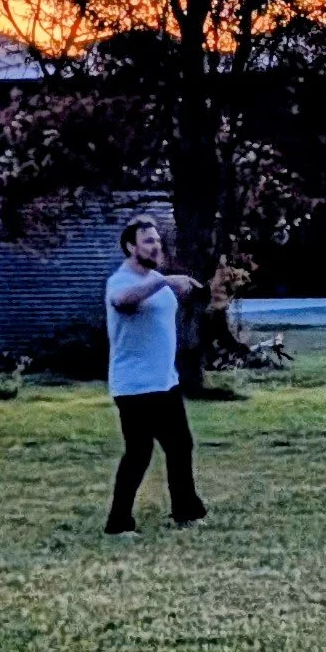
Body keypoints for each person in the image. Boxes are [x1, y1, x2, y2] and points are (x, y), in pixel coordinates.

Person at [103, 213, 207, 532]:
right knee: (139, 454)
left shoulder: (155, 280)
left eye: (157, 241)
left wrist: (196, 290)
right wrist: (164, 280)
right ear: (130, 246)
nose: (155, 246)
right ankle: (118, 523)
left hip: (165, 383)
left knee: (180, 445)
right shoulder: (122, 281)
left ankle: (185, 511)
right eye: (148, 241)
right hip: (135, 387)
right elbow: (122, 301)